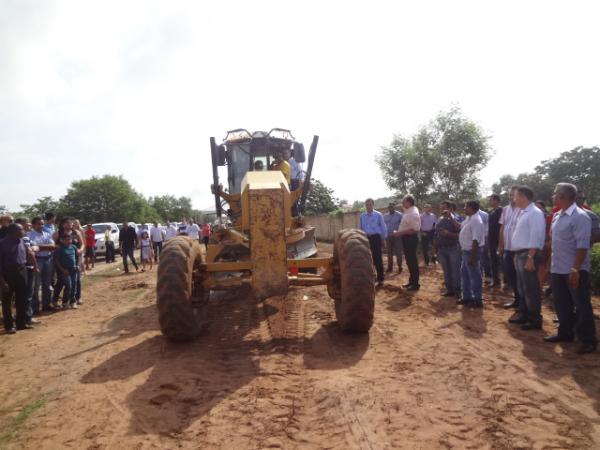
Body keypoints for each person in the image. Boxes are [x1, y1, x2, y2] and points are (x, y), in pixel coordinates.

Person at [544, 183, 596, 354]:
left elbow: (582, 246)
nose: (552, 196)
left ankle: (588, 340)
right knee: (561, 303)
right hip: (558, 268)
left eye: (555, 193)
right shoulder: (558, 215)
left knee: (581, 305)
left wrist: (575, 269)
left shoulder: (580, 217)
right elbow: (555, 243)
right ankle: (565, 333)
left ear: (563, 196)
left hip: (574, 269)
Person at [508, 186, 546, 330]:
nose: (513, 198)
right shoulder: (523, 212)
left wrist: (531, 257)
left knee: (531, 289)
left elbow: (536, 237)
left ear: (523, 197)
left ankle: (534, 319)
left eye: (515, 196)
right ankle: (524, 314)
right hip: (520, 255)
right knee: (522, 288)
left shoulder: (535, 213)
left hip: (528, 255)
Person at [0, 223, 35, 333]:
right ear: (13, 231)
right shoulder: (2, 244)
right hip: (7, 274)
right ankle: (9, 326)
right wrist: (2, 281)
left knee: (22, 299)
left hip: (22, 271)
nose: (24, 231)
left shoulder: (22, 241)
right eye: (21, 230)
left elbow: (26, 256)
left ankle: (21, 323)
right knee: (7, 301)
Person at [458, 201, 486, 307]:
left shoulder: (476, 221)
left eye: (466, 206)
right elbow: (461, 227)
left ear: (471, 208)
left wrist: (472, 257)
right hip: (466, 251)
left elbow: (476, 241)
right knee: (465, 275)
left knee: (474, 277)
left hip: (471, 252)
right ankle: (467, 297)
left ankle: (477, 300)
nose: (464, 208)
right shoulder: (469, 218)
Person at [498, 185, 522, 309]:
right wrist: (501, 246)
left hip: (519, 250)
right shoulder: (506, 209)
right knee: (511, 275)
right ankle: (517, 299)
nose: (511, 197)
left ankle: (523, 303)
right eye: (509, 195)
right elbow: (502, 228)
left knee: (520, 277)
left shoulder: (523, 210)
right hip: (508, 248)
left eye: (513, 195)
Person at [433, 201, 462, 298]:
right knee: (446, 271)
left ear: (450, 209)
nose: (442, 210)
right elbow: (436, 235)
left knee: (455, 270)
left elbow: (461, 234)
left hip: (453, 248)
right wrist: (435, 248)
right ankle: (450, 290)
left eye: (445, 208)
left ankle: (458, 291)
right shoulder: (439, 219)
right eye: (441, 208)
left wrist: (449, 234)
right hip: (442, 249)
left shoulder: (456, 218)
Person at [27, 217, 55, 314]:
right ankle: (35, 308)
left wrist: (39, 247)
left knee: (47, 284)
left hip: (47, 259)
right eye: (39, 224)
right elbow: (31, 249)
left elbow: (53, 247)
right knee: (36, 285)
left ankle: (46, 305)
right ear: (33, 225)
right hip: (37, 261)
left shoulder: (47, 234)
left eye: (42, 224)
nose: (41, 226)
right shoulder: (29, 235)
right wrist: (44, 247)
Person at [393, 195, 421, 291]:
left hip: (410, 239)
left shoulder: (413, 213)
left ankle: (415, 284)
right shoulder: (409, 211)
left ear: (409, 202)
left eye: (404, 202)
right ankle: (411, 281)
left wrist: (399, 233)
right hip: (406, 238)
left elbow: (414, 230)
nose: (402, 203)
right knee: (409, 261)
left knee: (412, 261)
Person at [55, 218, 84, 305]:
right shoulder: (58, 233)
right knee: (61, 281)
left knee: (76, 280)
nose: (70, 224)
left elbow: (82, 244)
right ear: (63, 224)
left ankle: (76, 298)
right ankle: (56, 300)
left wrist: (80, 250)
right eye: (68, 223)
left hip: (75, 258)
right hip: (62, 260)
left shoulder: (76, 232)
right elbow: (54, 245)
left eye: (71, 223)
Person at [359, 198, 387, 286]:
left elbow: (383, 227)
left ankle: (380, 279)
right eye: (366, 204)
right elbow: (360, 228)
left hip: (376, 238)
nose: (368, 206)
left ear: (373, 205)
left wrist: (383, 239)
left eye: (370, 204)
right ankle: (370, 277)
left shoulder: (378, 215)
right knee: (367, 258)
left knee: (378, 258)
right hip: (365, 238)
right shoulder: (362, 216)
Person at [52, 234, 80, 309]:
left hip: (73, 269)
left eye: (70, 239)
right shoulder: (59, 249)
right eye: (67, 240)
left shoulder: (73, 247)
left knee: (74, 285)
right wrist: (63, 270)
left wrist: (77, 265)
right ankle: (64, 302)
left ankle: (72, 302)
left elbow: (77, 256)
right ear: (62, 240)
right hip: (65, 270)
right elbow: (56, 260)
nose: (69, 241)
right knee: (68, 285)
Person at [487, 194, 503, 288]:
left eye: (491, 200)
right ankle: (496, 280)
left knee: (502, 261)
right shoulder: (491, 212)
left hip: (499, 240)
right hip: (491, 240)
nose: (490, 202)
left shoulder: (501, 211)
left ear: (496, 201)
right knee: (493, 261)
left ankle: (506, 282)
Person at [383, 203, 403, 273]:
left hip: (397, 236)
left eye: (392, 207)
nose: (390, 208)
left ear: (394, 207)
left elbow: (402, 225)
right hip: (388, 237)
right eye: (389, 207)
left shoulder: (400, 215)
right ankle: (390, 267)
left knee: (398, 252)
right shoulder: (385, 216)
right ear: (388, 208)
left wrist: (398, 232)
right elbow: (383, 226)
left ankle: (400, 267)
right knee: (389, 253)